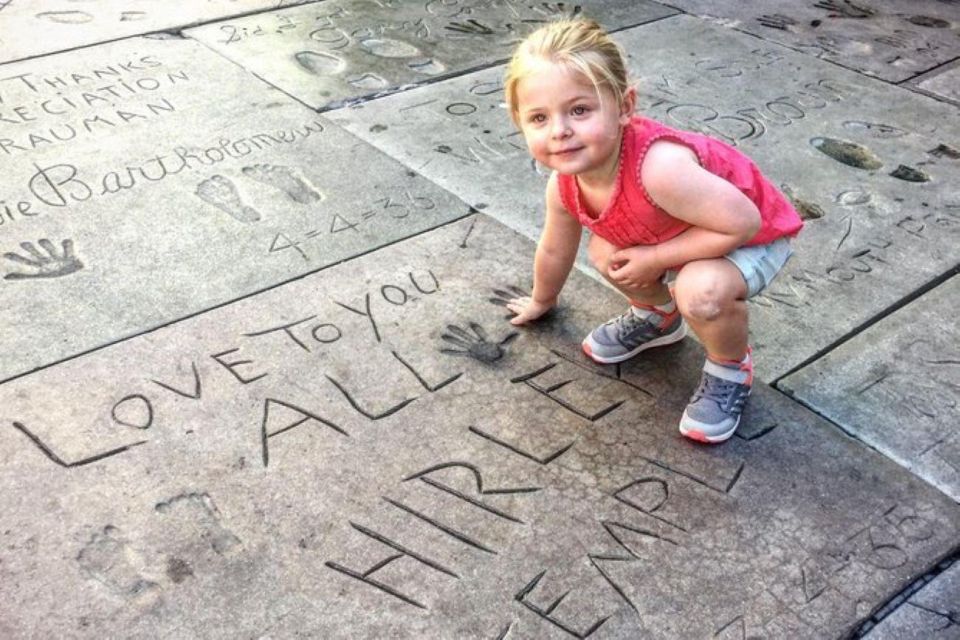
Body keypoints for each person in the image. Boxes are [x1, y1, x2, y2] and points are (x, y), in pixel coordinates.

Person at [502, 18, 803, 443]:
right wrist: (541, 299)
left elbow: (744, 222)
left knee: (701, 293)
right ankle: (658, 315)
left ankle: (729, 368)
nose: (560, 130)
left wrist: (656, 258)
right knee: (606, 253)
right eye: (538, 117)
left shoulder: (661, 168)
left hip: (751, 233)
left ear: (625, 106)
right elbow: (555, 246)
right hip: (685, 224)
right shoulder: (565, 181)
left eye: (580, 110)